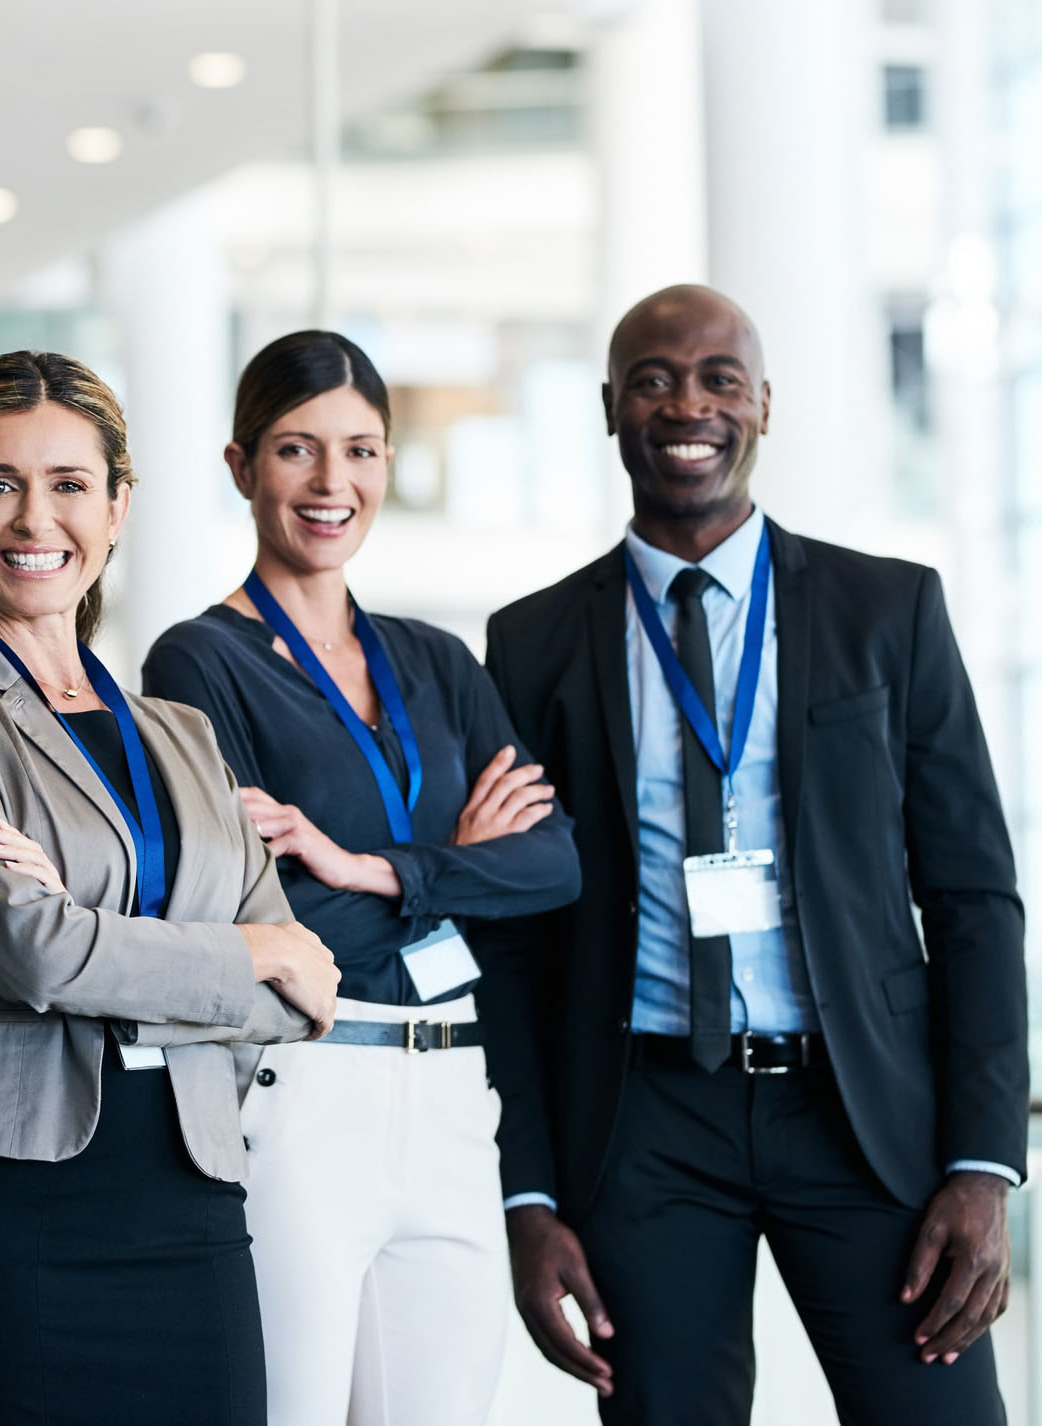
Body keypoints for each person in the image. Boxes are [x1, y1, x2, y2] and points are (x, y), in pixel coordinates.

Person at [477, 284, 1026, 1425]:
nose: (688, 402)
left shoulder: (890, 611)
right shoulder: (528, 643)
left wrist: (983, 1162)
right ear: (608, 409)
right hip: (643, 1126)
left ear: (762, 404)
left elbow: (972, 897)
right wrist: (527, 1191)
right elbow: (515, 944)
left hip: (863, 1115)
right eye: (653, 378)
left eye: (718, 377)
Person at [0, 349, 339, 1426]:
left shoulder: (180, 731)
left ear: (118, 506)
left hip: (190, 1198)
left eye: (69, 484)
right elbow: (29, 949)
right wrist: (239, 952)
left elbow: (299, 991)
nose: (35, 520)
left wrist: (94, 934)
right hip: (4, 1208)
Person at [142, 329, 582, 1425]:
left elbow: (554, 865)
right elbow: (269, 915)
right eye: (297, 450)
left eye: (360, 450)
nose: (331, 484)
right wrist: (454, 870)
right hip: (309, 1085)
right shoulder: (197, 660)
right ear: (241, 466)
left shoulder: (434, 658)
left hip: (446, 1092)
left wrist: (365, 866)